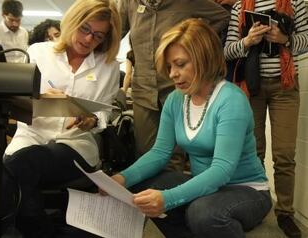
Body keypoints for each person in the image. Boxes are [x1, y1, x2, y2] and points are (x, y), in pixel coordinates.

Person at [103, 18, 272, 237]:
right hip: (207, 187)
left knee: (203, 214)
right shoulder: (176, 99)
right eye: (170, 66)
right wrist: (121, 179)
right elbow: (160, 152)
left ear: (204, 59)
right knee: (142, 187)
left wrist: (168, 199)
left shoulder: (231, 100)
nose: (172, 73)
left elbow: (222, 170)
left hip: (246, 189)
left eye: (180, 64)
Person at [1, 0, 121, 237]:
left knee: (16, 167)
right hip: (32, 134)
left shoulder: (108, 67)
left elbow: (106, 111)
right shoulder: (37, 52)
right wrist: (43, 97)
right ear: (72, 21)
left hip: (75, 143)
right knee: (8, 171)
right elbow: (15, 100)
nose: (88, 39)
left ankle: (33, 229)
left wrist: (93, 120)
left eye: (97, 36)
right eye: (85, 29)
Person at [224, 1, 308, 237]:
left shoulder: (296, 2)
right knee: (254, 153)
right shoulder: (240, 6)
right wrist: (247, 41)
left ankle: (285, 214)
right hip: (252, 88)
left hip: (286, 86)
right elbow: (227, 51)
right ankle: (256, 208)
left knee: (284, 154)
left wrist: (285, 39)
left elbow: (306, 40)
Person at [118, 0, 231, 169]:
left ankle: (172, 194)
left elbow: (223, 16)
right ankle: (145, 194)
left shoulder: (186, 3)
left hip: (176, 89)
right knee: (143, 152)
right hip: (143, 90)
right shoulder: (129, 3)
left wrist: (192, 42)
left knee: (174, 156)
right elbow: (114, 32)